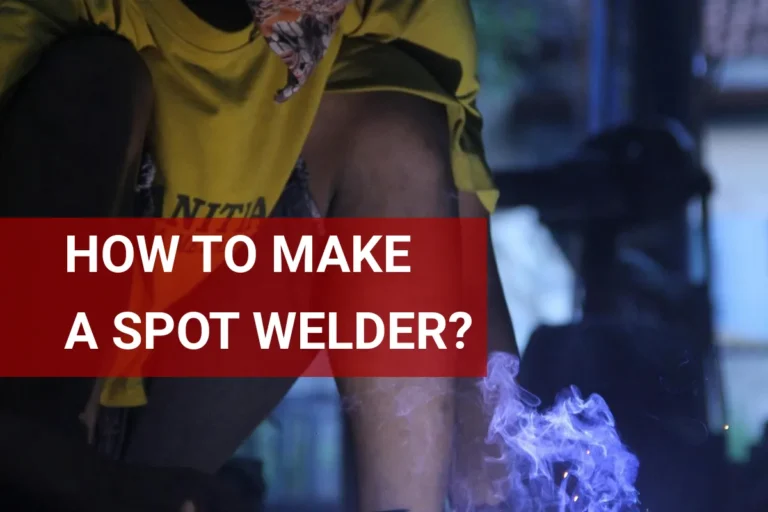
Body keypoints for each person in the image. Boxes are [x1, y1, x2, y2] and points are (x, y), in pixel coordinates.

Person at [0, 0, 519, 510]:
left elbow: (468, 292)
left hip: (171, 401)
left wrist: (508, 480)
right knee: (95, 79)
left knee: (395, 129)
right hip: (31, 409)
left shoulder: (397, 12)